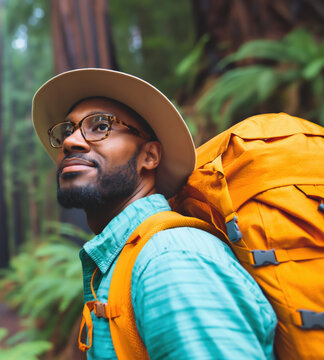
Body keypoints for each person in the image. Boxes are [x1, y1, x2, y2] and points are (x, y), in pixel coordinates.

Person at [31, 68, 276, 359]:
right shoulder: (135, 256)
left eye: (99, 126)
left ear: (149, 156)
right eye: (68, 130)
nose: (71, 141)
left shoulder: (170, 261)